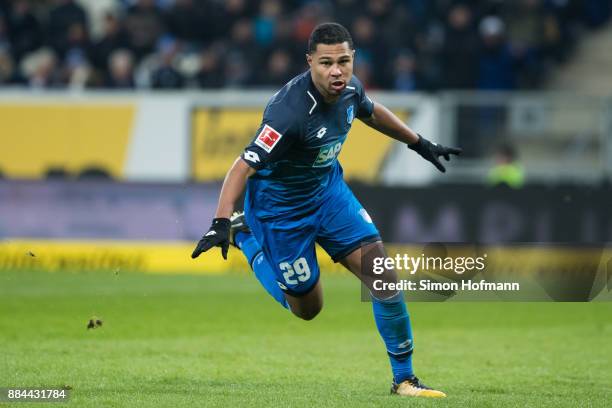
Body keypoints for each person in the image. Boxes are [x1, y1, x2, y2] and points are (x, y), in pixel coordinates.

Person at [191, 22, 461, 398]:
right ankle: (246, 237)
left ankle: (404, 379)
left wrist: (418, 142)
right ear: (310, 63)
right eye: (326, 63)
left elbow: (370, 111)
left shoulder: (351, 88)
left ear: (353, 60)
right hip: (280, 212)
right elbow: (242, 166)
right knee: (308, 308)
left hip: (328, 196)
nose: (337, 71)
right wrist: (220, 221)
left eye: (344, 61)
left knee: (383, 277)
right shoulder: (288, 113)